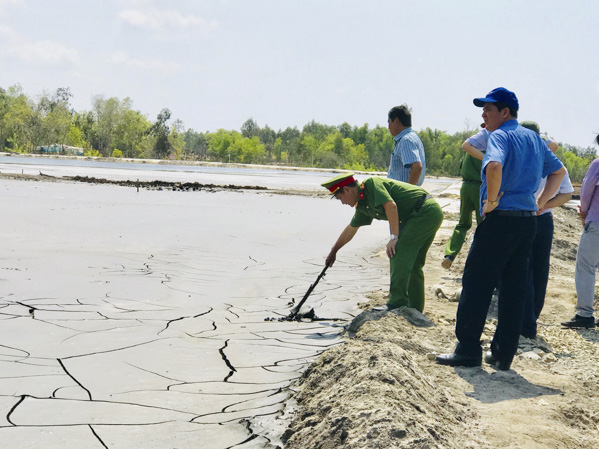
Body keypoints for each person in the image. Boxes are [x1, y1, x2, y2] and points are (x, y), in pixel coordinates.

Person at [435, 87, 565, 371]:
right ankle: (503, 354)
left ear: (505, 112)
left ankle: (468, 350)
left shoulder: (501, 135)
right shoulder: (533, 138)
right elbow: (559, 172)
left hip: (502, 219)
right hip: (527, 221)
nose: (483, 114)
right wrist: (540, 203)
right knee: (514, 287)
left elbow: (493, 167)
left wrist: (491, 201)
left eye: (488, 109)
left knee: (476, 282)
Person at [322, 173, 442, 312]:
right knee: (414, 264)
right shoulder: (362, 205)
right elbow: (351, 229)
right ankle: (415, 309)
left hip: (424, 211)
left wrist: (394, 238)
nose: (342, 202)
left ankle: (396, 302)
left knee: (396, 251)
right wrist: (334, 251)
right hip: (422, 215)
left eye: (340, 198)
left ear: (348, 190)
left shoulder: (371, 184)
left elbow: (391, 206)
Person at [519, 121, 574, 338]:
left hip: (523, 218)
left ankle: (525, 323)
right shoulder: (551, 160)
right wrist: (543, 206)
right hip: (543, 219)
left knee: (522, 268)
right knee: (540, 270)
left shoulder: (519, 157)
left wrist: (537, 205)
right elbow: (566, 194)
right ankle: (532, 317)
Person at [561, 136, 599, 329]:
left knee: (586, 268)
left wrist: (583, 212)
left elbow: (586, 191)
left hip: (597, 223)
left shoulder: (598, 164)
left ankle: (585, 315)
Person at [442, 124, 488, 269]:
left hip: (466, 187)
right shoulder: (490, 143)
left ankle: (450, 254)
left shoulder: (471, 144)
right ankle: (480, 260)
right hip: (481, 188)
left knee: (463, 224)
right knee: (484, 226)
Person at [387, 105, 426, 186]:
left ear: (396, 121)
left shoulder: (406, 140)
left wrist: (408, 192)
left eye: (389, 122)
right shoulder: (412, 137)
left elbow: (417, 166)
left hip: (401, 195)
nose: (388, 127)